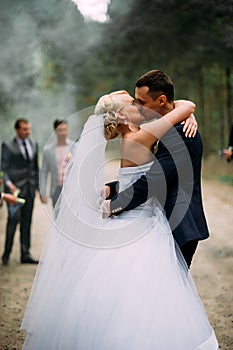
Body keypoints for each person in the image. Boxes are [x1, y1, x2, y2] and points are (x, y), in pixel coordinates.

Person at [21, 91, 218, 349]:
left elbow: (133, 179)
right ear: (121, 116)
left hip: (132, 217)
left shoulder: (131, 137)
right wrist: (189, 110)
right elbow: (184, 107)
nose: (139, 107)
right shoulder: (141, 136)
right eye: (133, 104)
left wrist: (110, 192)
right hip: (143, 220)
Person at [105, 70, 209, 268]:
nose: (137, 107)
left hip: (180, 226)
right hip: (163, 223)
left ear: (161, 100)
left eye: (141, 102)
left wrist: (114, 206)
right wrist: (113, 188)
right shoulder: (166, 128)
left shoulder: (182, 134)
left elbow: (155, 180)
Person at [1, 118, 39, 265]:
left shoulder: (34, 144)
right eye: (24, 129)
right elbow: (3, 169)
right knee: (12, 222)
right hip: (14, 192)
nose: (27, 131)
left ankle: (25, 253)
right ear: (17, 130)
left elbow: (35, 169)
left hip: (29, 190)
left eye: (28, 128)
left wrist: (38, 188)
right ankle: (6, 254)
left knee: (27, 222)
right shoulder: (8, 146)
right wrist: (9, 184)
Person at [40, 119, 74, 208]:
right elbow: (43, 172)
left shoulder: (75, 147)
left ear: (68, 129)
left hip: (72, 189)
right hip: (56, 190)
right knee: (58, 219)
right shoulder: (48, 150)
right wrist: (43, 192)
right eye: (60, 130)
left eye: (65, 129)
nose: (63, 133)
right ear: (55, 131)